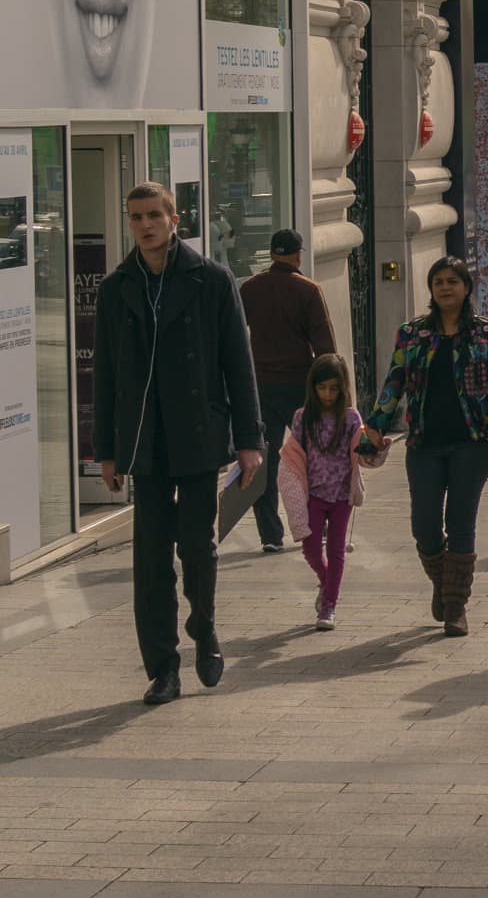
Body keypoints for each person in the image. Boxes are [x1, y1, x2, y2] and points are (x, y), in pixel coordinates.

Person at [92, 183, 263, 706]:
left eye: (153, 216)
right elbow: (105, 374)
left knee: (196, 545)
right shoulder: (117, 287)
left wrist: (249, 440)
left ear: (174, 219)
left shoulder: (211, 279)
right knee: (150, 560)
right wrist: (106, 450)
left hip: (197, 433)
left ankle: (204, 628)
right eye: (136, 217)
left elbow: (238, 363)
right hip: (144, 440)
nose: (144, 225)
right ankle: (163, 668)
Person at [361, 255, 488, 636]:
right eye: (439, 282)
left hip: (473, 443)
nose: (445, 288)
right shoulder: (412, 334)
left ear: (466, 287)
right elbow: (393, 383)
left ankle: (455, 606)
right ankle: (443, 582)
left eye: (452, 281)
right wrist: (374, 428)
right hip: (424, 444)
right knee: (425, 527)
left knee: (461, 523)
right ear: (431, 289)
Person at [238, 226, 338, 554]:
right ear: (298, 254)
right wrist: (333, 388)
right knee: (311, 457)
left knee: (263, 460)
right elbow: (324, 345)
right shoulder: (308, 290)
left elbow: (235, 335)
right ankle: (315, 524)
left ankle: (270, 534)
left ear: (271, 253)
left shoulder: (250, 288)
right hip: (300, 387)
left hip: (261, 387)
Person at [276, 354, 371, 630]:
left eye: (334, 388)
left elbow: (364, 450)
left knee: (336, 549)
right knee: (311, 549)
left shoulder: (351, 418)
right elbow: (294, 455)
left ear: (343, 388)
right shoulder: (302, 417)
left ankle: (329, 605)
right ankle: (326, 580)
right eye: (322, 388)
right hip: (314, 495)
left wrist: (376, 447)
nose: (328, 394)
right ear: (312, 387)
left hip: (342, 495)